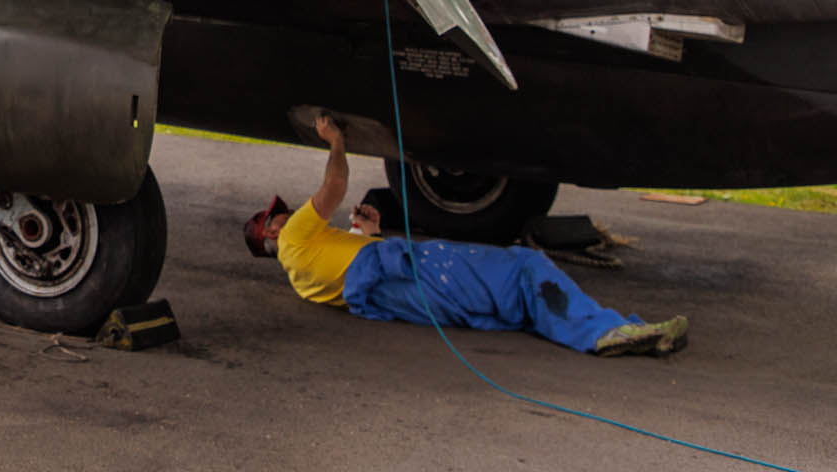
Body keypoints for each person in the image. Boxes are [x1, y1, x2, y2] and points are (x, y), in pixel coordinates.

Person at [243, 115, 688, 357]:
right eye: (277, 217)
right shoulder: (294, 238)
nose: (286, 214)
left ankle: (613, 329)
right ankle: (603, 333)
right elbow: (334, 188)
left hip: (406, 293)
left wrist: (369, 233)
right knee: (522, 266)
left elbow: (354, 274)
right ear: (270, 233)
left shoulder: (302, 278)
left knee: (502, 301)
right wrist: (335, 140)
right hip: (418, 270)